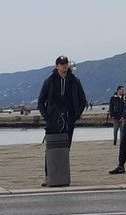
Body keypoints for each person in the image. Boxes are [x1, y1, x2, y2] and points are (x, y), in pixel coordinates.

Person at [37, 56, 87, 186]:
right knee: (51, 149)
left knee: (66, 147)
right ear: (57, 66)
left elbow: (83, 100)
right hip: (53, 119)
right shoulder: (49, 81)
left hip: (69, 118)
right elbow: (41, 102)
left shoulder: (75, 81)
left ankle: (63, 175)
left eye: (66, 64)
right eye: (61, 64)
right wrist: (47, 117)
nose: (64, 66)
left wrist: (76, 115)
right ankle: (49, 176)